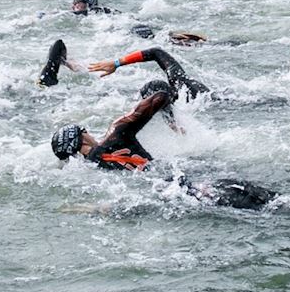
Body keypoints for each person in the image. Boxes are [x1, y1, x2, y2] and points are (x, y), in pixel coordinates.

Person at [50, 85, 274, 208]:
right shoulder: (115, 133)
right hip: (189, 184)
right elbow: (161, 94)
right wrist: (171, 121)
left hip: (171, 196)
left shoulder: (92, 168)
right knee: (274, 202)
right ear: (81, 137)